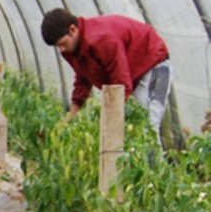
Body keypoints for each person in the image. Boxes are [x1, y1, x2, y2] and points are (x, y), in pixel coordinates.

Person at [40, 8, 172, 149]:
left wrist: (109, 122)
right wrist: (71, 116)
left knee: (146, 125)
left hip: (153, 64)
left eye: (62, 43)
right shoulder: (72, 48)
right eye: (57, 46)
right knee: (131, 127)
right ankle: (129, 168)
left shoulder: (102, 39)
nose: (61, 50)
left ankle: (153, 170)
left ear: (73, 30)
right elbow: (82, 79)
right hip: (132, 74)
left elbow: (120, 82)